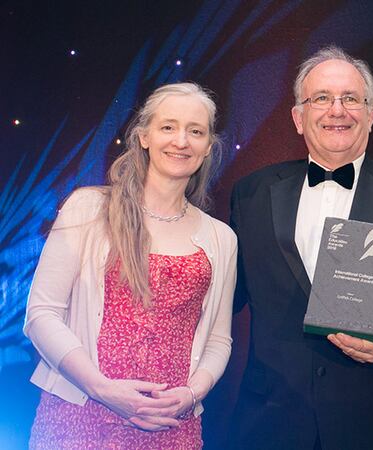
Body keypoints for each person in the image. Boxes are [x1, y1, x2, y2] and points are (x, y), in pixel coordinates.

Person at [230, 45, 373, 449]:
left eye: (351, 98)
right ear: (298, 118)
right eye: (321, 98)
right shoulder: (252, 192)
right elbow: (224, 299)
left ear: (371, 115)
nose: (337, 110)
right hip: (271, 422)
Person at [24, 82, 237, 449]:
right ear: (144, 137)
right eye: (168, 127)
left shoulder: (221, 238)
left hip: (171, 427)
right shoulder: (89, 209)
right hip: (79, 417)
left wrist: (191, 394)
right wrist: (102, 389)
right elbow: (41, 315)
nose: (181, 141)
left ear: (207, 148)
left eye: (196, 131)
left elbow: (219, 339)